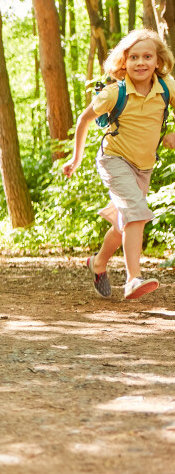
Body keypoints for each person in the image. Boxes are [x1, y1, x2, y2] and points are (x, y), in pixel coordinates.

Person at [63, 29, 175, 300]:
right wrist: (75, 159)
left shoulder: (167, 87)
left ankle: (98, 263)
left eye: (147, 56)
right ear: (123, 62)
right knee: (136, 211)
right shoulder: (114, 93)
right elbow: (83, 119)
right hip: (113, 160)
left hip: (144, 166)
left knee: (123, 222)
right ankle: (133, 279)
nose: (140, 62)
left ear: (158, 61)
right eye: (133, 57)